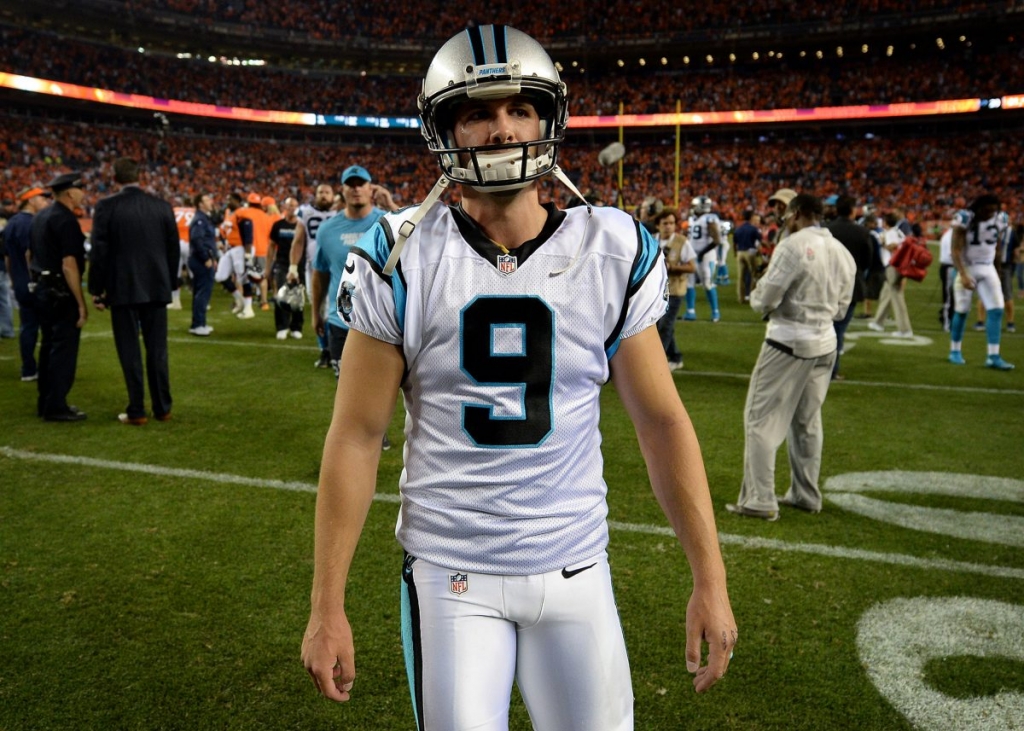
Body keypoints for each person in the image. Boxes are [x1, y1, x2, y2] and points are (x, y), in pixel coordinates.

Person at [301, 25, 736, 730]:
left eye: (519, 108)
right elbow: (356, 434)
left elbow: (661, 422)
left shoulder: (610, 245)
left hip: (576, 568)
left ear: (548, 117)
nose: (502, 128)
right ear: (444, 128)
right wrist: (327, 606)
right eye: (476, 111)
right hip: (451, 575)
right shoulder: (399, 252)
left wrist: (710, 578)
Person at [727, 193, 855, 520]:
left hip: (788, 342)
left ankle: (759, 499)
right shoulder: (842, 252)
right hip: (825, 342)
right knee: (807, 421)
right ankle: (806, 493)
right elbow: (842, 309)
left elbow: (764, 298)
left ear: (796, 214)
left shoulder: (793, 245)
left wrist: (759, 297)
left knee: (760, 419)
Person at [88, 157, 179, 424]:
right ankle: (163, 408)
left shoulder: (106, 206)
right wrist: (169, 283)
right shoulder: (161, 206)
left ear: (115, 178)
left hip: (122, 287)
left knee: (129, 350)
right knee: (158, 350)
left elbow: (99, 251)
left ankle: (137, 410)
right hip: (156, 287)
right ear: (140, 177)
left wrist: (96, 288)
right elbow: (172, 249)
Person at [311, 164, 397, 374]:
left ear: (371, 189)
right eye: (350, 185)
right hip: (340, 320)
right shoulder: (327, 230)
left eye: (361, 184)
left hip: (381, 321)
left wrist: (392, 205)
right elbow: (320, 273)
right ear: (342, 190)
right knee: (345, 389)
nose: (356, 189)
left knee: (381, 390)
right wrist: (315, 313)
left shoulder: (389, 221)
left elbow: (416, 244)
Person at [30, 172, 89, 422]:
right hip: (60, 292)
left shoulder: (41, 216)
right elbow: (69, 265)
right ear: (70, 192)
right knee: (63, 349)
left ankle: (46, 401)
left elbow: (28, 254)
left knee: (47, 346)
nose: (83, 194)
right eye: (80, 189)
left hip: (42, 288)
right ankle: (56, 405)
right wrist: (80, 303)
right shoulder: (65, 220)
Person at [948, 195, 1014, 369]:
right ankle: (955, 351)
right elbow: (955, 248)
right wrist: (962, 273)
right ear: (978, 207)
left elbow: (997, 247)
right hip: (967, 266)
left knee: (996, 309)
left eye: (993, 210)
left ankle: (993, 355)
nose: (990, 213)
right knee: (962, 310)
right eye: (987, 210)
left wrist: (998, 271)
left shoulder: (1001, 218)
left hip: (988, 267)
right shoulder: (965, 217)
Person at [3, 186, 51, 381]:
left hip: (21, 282)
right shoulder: (30, 223)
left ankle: (28, 369)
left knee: (28, 326)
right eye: (42, 198)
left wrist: (15, 281)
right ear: (31, 200)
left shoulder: (11, 222)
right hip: (35, 283)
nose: (46, 202)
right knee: (47, 327)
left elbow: (7, 257)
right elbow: (29, 253)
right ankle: (42, 369)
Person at [288, 183, 338, 368]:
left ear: (333, 196)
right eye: (320, 192)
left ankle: (336, 349)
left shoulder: (341, 212)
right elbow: (298, 241)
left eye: (327, 192)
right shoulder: (305, 212)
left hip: (338, 267)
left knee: (338, 309)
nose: (324, 195)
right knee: (319, 308)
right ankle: (325, 350)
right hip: (314, 268)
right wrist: (293, 267)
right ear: (315, 195)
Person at [825, 195, 874, 380]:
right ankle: (831, 369)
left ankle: (815, 366)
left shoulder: (825, 230)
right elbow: (867, 261)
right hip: (851, 286)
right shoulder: (862, 232)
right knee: (838, 330)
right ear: (853, 210)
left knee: (821, 326)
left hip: (826, 284)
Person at [652, 207, 695, 370]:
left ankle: (658, 363)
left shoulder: (682, 242)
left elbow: (692, 267)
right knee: (659, 325)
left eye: (672, 223)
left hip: (675, 290)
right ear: (658, 225)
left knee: (665, 325)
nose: (669, 226)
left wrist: (673, 267)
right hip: (655, 292)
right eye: (665, 223)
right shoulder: (651, 239)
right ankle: (676, 357)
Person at [867, 212, 913, 337]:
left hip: (893, 266)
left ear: (886, 223)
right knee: (886, 294)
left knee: (897, 297)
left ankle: (905, 329)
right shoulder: (898, 232)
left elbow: (894, 247)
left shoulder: (891, 233)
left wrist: (883, 244)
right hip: (896, 266)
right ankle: (878, 322)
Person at [268, 197, 304, 339]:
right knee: (281, 295)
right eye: (289, 206)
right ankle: (282, 326)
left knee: (297, 296)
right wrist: (267, 267)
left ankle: (296, 326)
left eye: (295, 205)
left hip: (298, 264)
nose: (292, 208)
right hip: (282, 264)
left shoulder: (302, 225)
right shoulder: (278, 225)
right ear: (284, 207)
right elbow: (271, 246)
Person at [687, 194, 723, 322]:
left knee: (707, 283)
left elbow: (717, 240)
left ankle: (715, 312)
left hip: (706, 256)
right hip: (692, 254)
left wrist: (701, 254)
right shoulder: (693, 218)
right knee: (689, 282)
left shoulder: (709, 218)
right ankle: (690, 311)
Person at [187, 192, 218, 336]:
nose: (210, 201)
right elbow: (197, 239)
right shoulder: (200, 219)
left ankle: (198, 323)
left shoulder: (204, 218)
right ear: (200, 204)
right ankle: (199, 324)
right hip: (200, 260)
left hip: (202, 258)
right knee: (203, 292)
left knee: (200, 292)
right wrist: (206, 258)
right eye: (207, 199)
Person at [732, 209, 762, 303]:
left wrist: (735, 253)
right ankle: (751, 296)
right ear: (751, 217)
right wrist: (760, 254)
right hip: (750, 252)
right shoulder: (753, 229)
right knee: (754, 274)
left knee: (741, 277)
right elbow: (759, 242)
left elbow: (734, 243)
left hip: (740, 252)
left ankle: (740, 298)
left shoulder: (738, 228)